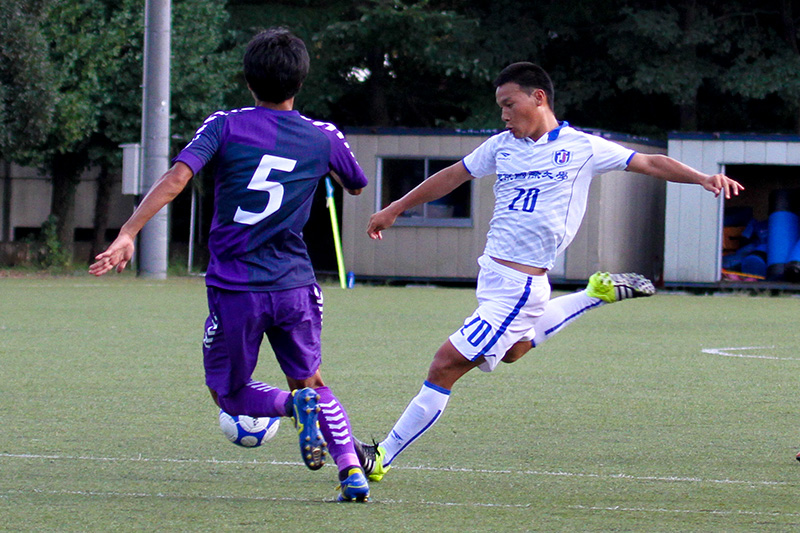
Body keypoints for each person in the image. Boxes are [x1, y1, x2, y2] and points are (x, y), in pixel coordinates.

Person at [357, 62, 744, 482]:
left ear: (537, 98)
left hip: (519, 288)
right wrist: (395, 208)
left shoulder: (582, 148)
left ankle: (381, 456)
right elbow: (453, 176)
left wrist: (703, 177)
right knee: (512, 351)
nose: (503, 114)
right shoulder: (501, 146)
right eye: (500, 107)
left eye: (509, 104)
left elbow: (649, 162)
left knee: (445, 365)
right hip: (495, 279)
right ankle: (595, 294)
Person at [90, 28, 371, 502]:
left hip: (237, 285)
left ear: (247, 80)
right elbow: (356, 185)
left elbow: (179, 177)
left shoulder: (224, 125)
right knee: (312, 379)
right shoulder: (322, 137)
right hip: (295, 285)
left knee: (230, 393)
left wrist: (128, 232)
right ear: (300, 81)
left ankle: (288, 405)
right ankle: (351, 471)